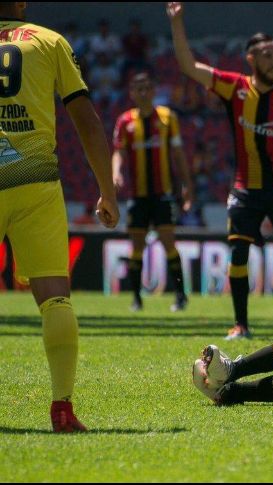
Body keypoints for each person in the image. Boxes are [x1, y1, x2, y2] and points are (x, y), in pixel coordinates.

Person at [167, 2, 273, 339]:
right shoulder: (235, 87)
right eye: (266, 55)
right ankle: (241, 325)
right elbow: (189, 67)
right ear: (251, 58)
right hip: (245, 188)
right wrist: (177, 23)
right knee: (238, 252)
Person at [0, 2, 120, 431]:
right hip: (34, 178)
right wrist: (106, 190)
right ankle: (62, 410)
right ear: (21, 4)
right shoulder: (49, 40)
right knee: (55, 298)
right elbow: (85, 119)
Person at [112, 71, 194, 312]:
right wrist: (116, 172)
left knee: (168, 242)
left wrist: (187, 185)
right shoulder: (125, 121)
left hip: (162, 193)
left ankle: (180, 296)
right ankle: (136, 299)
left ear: (153, 90)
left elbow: (178, 154)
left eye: (147, 87)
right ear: (132, 93)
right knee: (136, 247)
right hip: (137, 195)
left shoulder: (168, 118)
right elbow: (118, 151)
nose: (143, 92)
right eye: (139, 88)